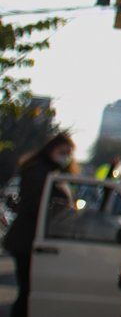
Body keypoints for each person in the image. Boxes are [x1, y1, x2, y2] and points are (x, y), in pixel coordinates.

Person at [2, 133, 76, 317]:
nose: (65, 157)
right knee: (29, 290)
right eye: (62, 152)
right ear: (52, 149)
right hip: (28, 240)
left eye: (68, 153)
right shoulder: (38, 170)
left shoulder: (50, 171)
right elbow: (35, 205)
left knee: (30, 290)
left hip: (34, 238)